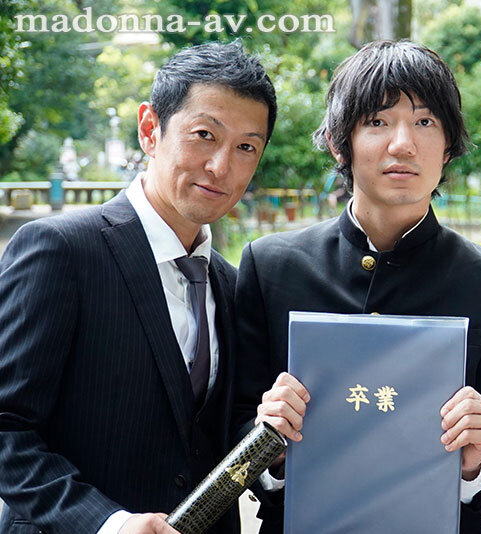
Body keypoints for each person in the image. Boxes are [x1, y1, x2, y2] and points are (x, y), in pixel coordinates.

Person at [233, 40, 481, 533]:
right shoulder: (271, 267)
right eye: (377, 121)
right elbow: (235, 429)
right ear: (338, 142)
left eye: (425, 121)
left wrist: (477, 462)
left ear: (449, 146)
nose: (403, 144)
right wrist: (271, 446)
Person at [0, 42, 276, 534]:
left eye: (246, 147)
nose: (221, 166)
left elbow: (213, 437)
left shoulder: (232, 284)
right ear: (150, 129)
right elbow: (7, 425)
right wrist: (109, 523)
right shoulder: (61, 250)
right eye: (204, 135)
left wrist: (273, 440)